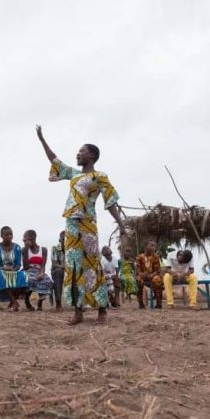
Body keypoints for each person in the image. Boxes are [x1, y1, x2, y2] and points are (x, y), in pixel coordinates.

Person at [36, 125, 127, 325]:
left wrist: (121, 224)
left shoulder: (100, 177)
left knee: (92, 265)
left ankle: (102, 309)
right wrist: (42, 140)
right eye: (77, 152)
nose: (78, 154)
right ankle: (78, 311)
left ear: (92, 155)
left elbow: (111, 201)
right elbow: (55, 160)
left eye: (82, 151)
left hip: (87, 224)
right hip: (71, 224)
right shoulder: (75, 175)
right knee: (74, 266)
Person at [0, 226, 27, 311]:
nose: (9, 236)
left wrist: (13, 270)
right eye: (7, 235)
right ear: (2, 236)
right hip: (0, 271)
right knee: (1, 275)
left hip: (13, 271)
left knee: (24, 275)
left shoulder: (17, 247)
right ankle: (15, 302)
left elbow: (18, 264)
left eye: (11, 234)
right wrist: (5, 269)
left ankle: (12, 302)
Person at [22, 230, 53, 311]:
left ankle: (40, 302)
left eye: (25, 239)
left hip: (39, 270)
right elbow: (25, 267)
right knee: (30, 279)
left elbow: (43, 265)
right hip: (28, 270)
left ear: (33, 238)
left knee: (48, 281)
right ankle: (27, 301)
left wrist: (41, 273)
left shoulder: (43, 250)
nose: (23, 240)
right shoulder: (24, 250)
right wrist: (26, 249)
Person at [136, 241, 163, 309]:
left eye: (154, 246)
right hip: (142, 276)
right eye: (151, 245)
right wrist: (142, 274)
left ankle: (158, 304)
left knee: (157, 280)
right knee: (138, 280)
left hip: (153, 275)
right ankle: (141, 303)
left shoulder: (156, 257)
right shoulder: (139, 257)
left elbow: (157, 270)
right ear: (146, 246)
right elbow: (138, 269)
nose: (153, 247)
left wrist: (152, 275)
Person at [49, 231, 66, 312]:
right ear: (60, 240)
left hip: (69, 271)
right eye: (63, 239)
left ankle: (79, 303)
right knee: (59, 271)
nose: (65, 241)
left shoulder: (73, 250)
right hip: (59, 271)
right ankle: (58, 303)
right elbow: (55, 264)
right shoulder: (55, 248)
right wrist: (65, 267)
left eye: (67, 239)